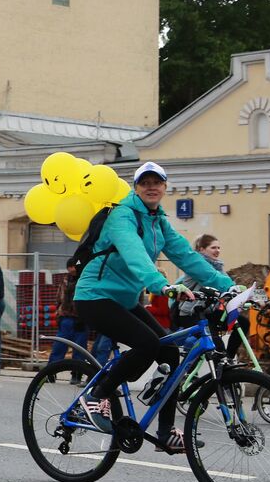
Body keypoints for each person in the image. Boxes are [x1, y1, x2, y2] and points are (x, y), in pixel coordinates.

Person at [71, 162, 232, 454]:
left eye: (156, 182)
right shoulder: (122, 215)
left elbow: (187, 257)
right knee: (147, 343)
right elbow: (135, 254)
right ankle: (95, 397)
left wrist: (229, 286)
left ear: (165, 187)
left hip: (124, 300)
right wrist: (162, 285)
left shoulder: (159, 222)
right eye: (144, 183)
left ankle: (166, 432)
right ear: (136, 188)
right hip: (95, 296)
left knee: (170, 352)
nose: (151, 187)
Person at [45, 262, 91, 384]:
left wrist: (84, 317)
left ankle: (76, 374)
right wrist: (58, 315)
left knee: (79, 349)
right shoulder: (65, 280)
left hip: (81, 320)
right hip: (65, 318)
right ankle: (50, 372)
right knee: (59, 347)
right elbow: (59, 298)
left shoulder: (86, 279)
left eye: (73, 266)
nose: (71, 269)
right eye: (69, 267)